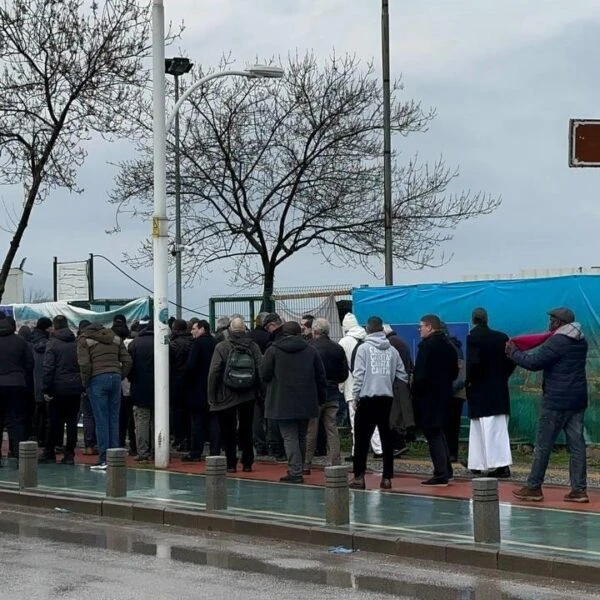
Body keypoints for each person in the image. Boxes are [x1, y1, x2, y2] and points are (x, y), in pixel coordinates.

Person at [507, 307, 589, 503]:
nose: (549, 324)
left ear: (558, 323)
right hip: (577, 400)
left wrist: (513, 352)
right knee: (577, 446)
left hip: (556, 401)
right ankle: (579, 490)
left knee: (543, 445)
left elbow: (534, 362)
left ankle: (534, 487)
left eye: (551, 320)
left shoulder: (557, 341)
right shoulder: (581, 340)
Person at [261, 321, 326, 483]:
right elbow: (321, 377)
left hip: (281, 400)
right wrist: (321, 399)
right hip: (306, 400)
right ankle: (300, 468)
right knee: (302, 435)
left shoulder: (273, 350)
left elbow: (264, 374)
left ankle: (295, 471)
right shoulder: (311, 350)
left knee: (289, 436)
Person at [350, 316, 408, 490]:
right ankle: (387, 478)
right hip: (387, 399)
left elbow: (358, 374)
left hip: (367, 398)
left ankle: (359, 477)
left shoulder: (363, 349)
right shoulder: (392, 350)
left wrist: (355, 396)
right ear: (382, 330)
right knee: (387, 439)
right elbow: (402, 374)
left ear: (367, 329)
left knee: (361, 439)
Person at [465, 308, 516, 478]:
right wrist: (502, 376)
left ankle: (479, 463)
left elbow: (473, 364)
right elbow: (512, 360)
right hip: (499, 389)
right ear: (487, 319)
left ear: (473, 320)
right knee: (498, 429)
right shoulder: (502, 337)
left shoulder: (473, 338)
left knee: (479, 429)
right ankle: (500, 464)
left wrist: (471, 381)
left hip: (479, 389)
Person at [208, 317, 262, 472]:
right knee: (246, 428)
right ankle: (247, 462)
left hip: (226, 395)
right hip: (248, 395)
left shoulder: (222, 347)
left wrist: (212, 396)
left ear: (229, 330)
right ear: (244, 330)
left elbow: (214, 372)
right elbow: (260, 369)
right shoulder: (253, 346)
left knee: (228, 430)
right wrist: (260, 392)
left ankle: (231, 463)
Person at [77, 320, 132, 469]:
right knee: (114, 418)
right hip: (115, 379)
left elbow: (84, 364)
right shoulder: (115, 338)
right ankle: (115, 457)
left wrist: (86, 382)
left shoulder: (84, 340)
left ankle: (103, 459)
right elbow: (127, 361)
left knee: (101, 420)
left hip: (97, 380)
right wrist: (119, 375)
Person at [412, 314, 458, 487]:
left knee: (432, 434)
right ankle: (447, 470)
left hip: (428, 397)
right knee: (440, 432)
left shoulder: (427, 346)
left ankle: (440, 473)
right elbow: (454, 371)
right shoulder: (449, 345)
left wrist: (415, 392)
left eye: (421, 326)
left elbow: (420, 375)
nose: (419, 329)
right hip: (445, 394)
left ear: (430, 327)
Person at [303, 318, 347, 473]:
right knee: (331, 427)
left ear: (314, 331)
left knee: (311, 429)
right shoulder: (337, 348)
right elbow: (344, 374)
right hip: (333, 391)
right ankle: (335, 460)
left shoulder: (309, 347)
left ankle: (307, 463)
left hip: (315, 392)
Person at [39, 315, 83, 465]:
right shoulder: (76, 343)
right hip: (74, 388)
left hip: (57, 388)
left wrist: (46, 388)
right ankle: (69, 454)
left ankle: (49, 452)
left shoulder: (52, 344)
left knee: (54, 422)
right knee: (71, 422)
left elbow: (48, 368)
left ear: (55, 326)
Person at [338, 313, 383, 461]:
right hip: (371, 384)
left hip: (353, 386)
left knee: (355, 421)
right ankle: (379, 448)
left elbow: (342, 366)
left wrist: (341, 385)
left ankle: (357, 451)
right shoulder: (367, 338)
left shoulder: (344, 342)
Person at [0, 312, 33, 464]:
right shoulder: (21, 341)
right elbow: (29, 363)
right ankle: (19, 455)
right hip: (17, 383)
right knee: (17, 420)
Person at [182, 319, 217, 461]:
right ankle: (215, 451)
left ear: (202, 329)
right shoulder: (215, 343)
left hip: (197, 389)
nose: (192, 331)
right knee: (214, 421)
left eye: (194, 328)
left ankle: (196, 452)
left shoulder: (197, 344)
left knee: (197, 423)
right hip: (213, 388)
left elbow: (191, 366)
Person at [383, 324, 415, 457]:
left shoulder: (391, 343)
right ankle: (400, 444)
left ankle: (397, 445)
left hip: (395, 384)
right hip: (403, 382)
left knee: (393, 416)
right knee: (400, 415)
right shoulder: (401, 341)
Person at [127, 320, 154, 462]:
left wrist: (133, 380)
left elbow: (128, 366)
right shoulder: (162, 342)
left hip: (139, 387)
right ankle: (157, 449)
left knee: (142, 420)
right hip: (159, 389)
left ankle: (143, 452)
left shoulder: (134, 344)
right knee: (158, 420)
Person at [443, 325, 467, 464]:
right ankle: (452, 453)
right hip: (458, 393)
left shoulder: (450, 348)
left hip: (452, 392)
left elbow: (458, 376)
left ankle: (450, 453)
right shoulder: (456, 347)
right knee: (454, 425)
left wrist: (447, 390)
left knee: (448, 425)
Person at [113, 315, 136, 456]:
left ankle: (119, 443)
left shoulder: (111, 344)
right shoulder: (133, 343)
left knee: (118, 416)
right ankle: (133, 445)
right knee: (132, 418)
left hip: (117, 384)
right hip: (131, 384)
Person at [169, 318, 193, 452]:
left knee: (177, 412)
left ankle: (179, 439)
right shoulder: (192, 342)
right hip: (190, 383)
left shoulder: (173, 345)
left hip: (176, 382)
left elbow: (169, 365)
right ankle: (189, 439)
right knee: (190, 414)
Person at [31, 317, 52, 447]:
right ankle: (45, 439)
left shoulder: (30, 341)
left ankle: (35, 436)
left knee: (36, 412)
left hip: (33, 382)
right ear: (46, 328)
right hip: (45, 381)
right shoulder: (49, 344)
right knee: (46, 414)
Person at [77, 320, 97, 455]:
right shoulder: (97, 343)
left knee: (87, 415)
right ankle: (99, 444)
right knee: (97, 414)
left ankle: (89, 444)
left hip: (82, 383)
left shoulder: (78, 342)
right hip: (95, 380)